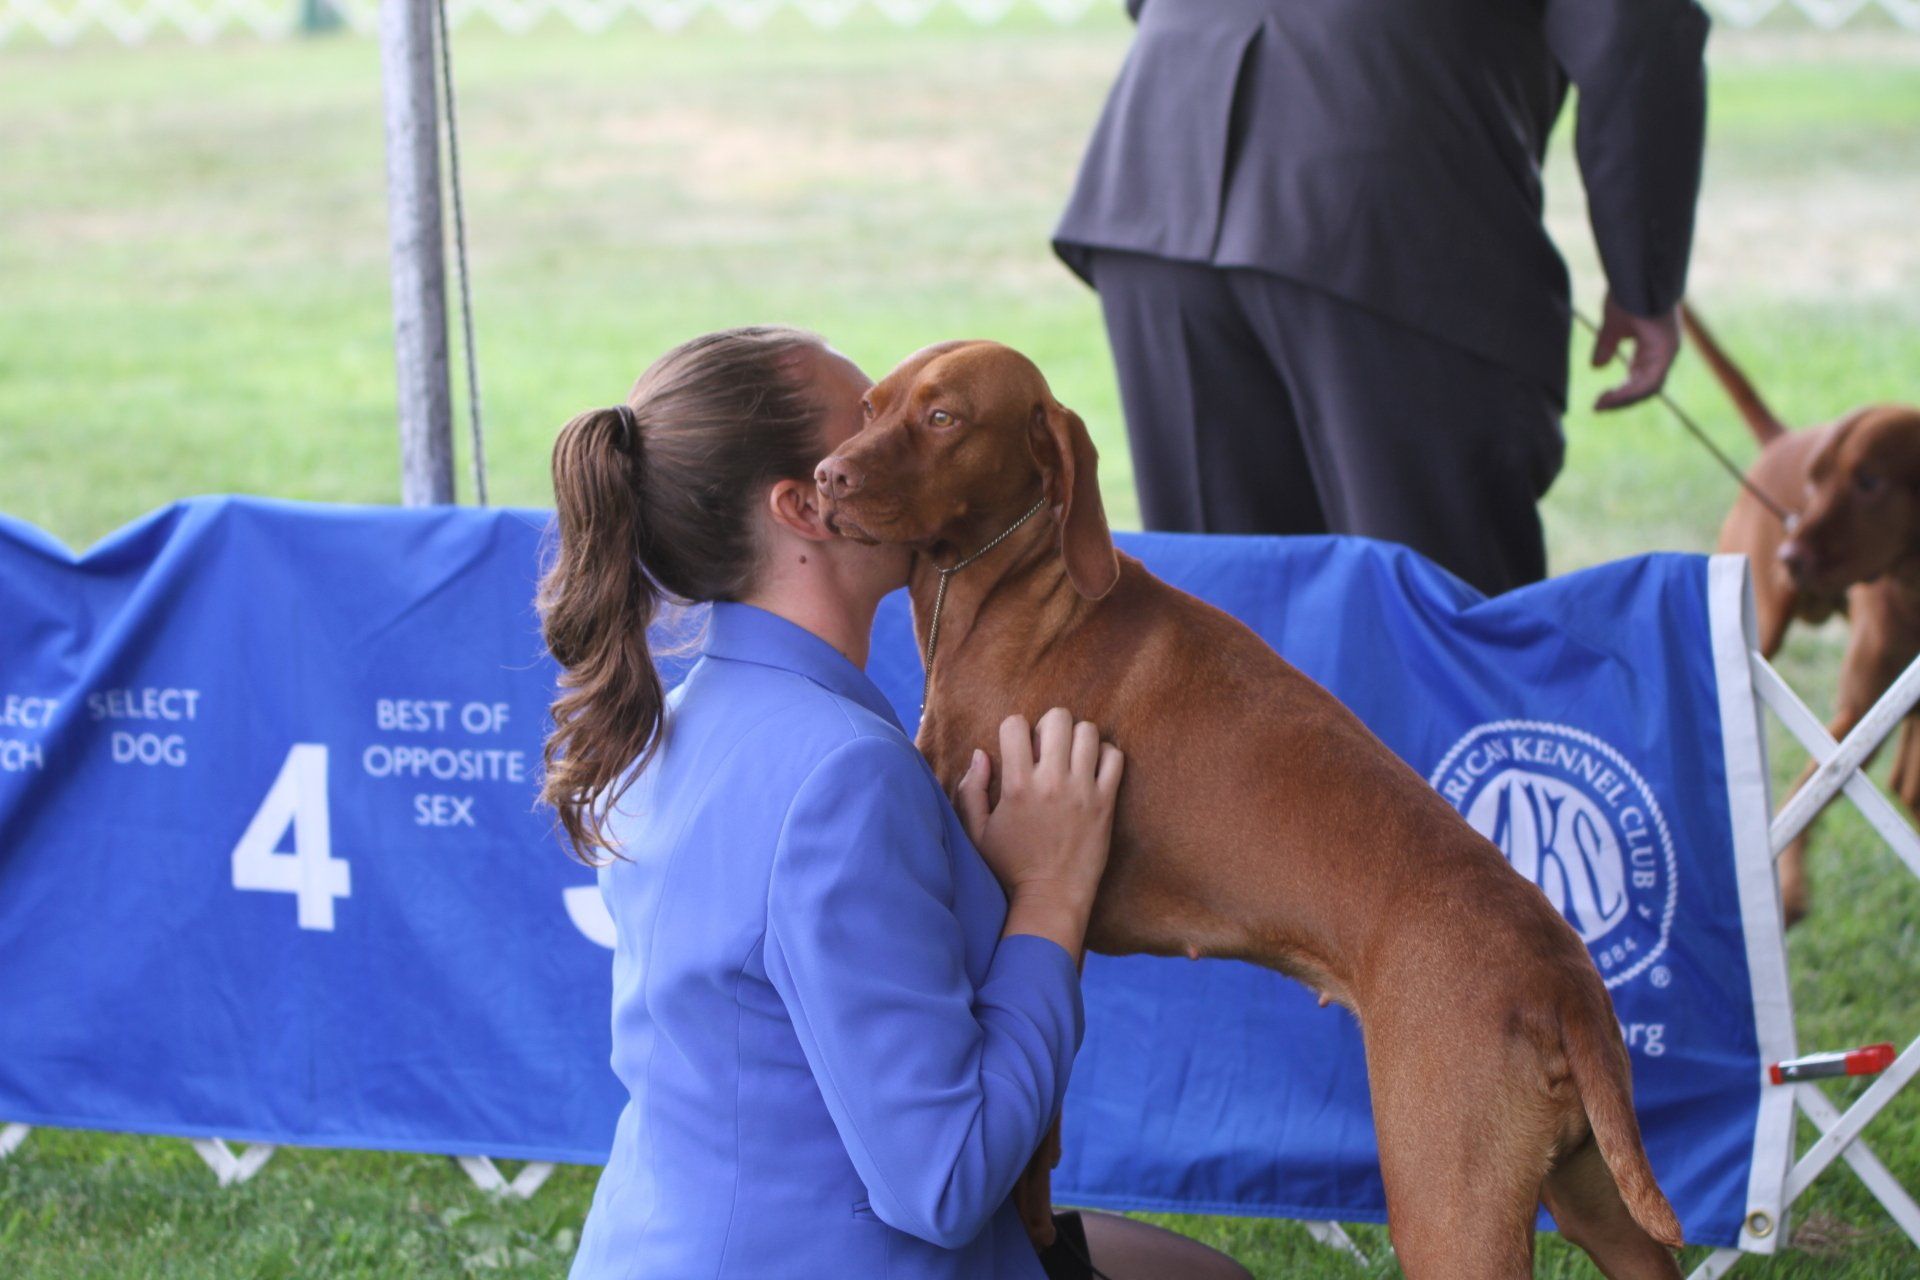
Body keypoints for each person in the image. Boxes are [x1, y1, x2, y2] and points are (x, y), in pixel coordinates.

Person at [541, 326, 1251, 1280]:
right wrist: (1049, 900)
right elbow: (946, 1183)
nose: (899, 446)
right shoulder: (845, 775)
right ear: (808, 506)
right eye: (868, 427)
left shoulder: (668, 721)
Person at [1054, 0, 1711, 596]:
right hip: (1376, 187)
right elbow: (1637, 28)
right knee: (1436, 620)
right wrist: (1645, 280)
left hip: (1162, 155)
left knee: (1235, 615)